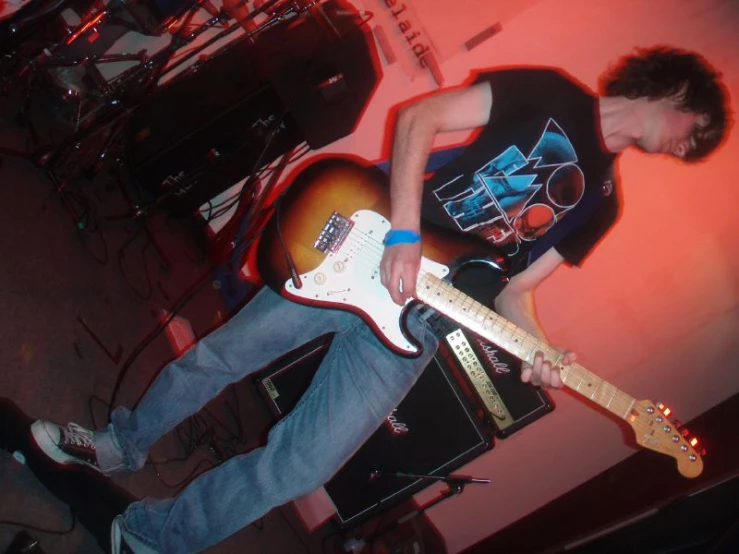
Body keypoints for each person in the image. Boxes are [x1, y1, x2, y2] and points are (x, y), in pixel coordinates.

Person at [29, 46, 730, 553]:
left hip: (417, 326)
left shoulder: (602, 205)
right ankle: (119, 444)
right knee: (220, 359)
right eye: (691, 131)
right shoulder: (548, 92)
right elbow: (419, 119)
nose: (683, 147)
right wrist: (399, 232)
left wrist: (540, 354)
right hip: (365, 248)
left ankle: (158, 538)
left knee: (303, 463)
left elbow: (517, 289)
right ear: (673, 93)